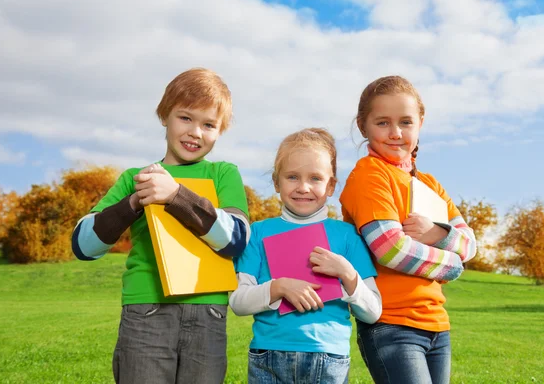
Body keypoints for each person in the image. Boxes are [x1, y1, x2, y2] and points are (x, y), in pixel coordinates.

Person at [71, 68, 249, 384]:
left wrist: (176, 196)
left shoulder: (223, 174)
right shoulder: (135, 179)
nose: (196, 132)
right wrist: (133, 203)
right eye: (186, 118)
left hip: (207, 312)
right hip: (146, 310)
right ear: (164, 115)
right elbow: (83, 246)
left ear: (221, 130)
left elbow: (236, 240)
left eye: (209, 124)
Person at [339, 75, 477, 384]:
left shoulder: (430, 185)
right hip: (391, 324)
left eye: (405, 122)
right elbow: (390, 249)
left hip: (437, 325)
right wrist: (452, 265)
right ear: (363, 126)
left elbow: (470, 245)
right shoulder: (369, 176)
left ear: (421, 122)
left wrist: (438, 234)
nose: (396, 133)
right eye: (383, 123)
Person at [229, 128, 382, 384]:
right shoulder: (258, 233)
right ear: (277, 182)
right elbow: (238, 302)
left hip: (328, 358)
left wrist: (347, 273)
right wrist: (278, 288)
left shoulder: (347, 237)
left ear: (331, 185)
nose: (303, 187)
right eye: (292, 177)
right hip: (268, 355)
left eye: (315, 178)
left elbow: (373, 312)